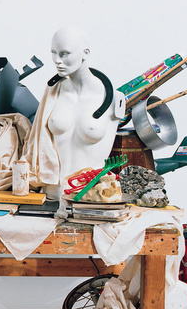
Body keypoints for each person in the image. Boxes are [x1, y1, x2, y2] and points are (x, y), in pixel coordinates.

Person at [23, 26, 125, 200]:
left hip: (90, 196)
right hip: (51, 195)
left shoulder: (114, 99)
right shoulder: (52, 94)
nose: (57, 60)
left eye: (64, 54)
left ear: (85, 53)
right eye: (53, 53)